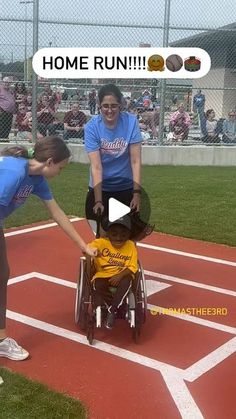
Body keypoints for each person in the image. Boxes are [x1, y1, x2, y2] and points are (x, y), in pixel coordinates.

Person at [0, 136, 97, 363]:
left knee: (2, 274)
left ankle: (1, 341)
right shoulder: (14, 172)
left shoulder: (36, 179)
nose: (60, 173)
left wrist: (83, 246)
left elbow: (57, 213)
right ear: (50, 161)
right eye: (61, 168)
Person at [84, 83, 142, 225]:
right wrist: (98, 200)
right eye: (105, 106)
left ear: (120, 105)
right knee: (102, 239)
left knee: (127, 237)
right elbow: (96, 167)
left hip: (125, 187)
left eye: (114, 105)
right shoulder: (92, 127)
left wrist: (136, 194)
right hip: (101, 187)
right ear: (99, 105)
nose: (109, 110)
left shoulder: (131, 122)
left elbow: (135, 161)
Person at [88, 215, 138, 329]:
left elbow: (132, 267)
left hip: (123, 275)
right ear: (108, 233)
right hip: (103, 274)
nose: (119, 238)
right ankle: (113, 308)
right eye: (114, 234)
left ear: (128, 235)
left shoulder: (130, 246)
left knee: (128, 281)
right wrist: (93, 251)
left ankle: (112, 310)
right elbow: (87, 248)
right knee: (97, 284)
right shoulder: (100, 243)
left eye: (123, 235)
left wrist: (119, 276)